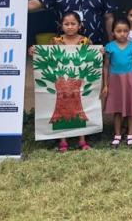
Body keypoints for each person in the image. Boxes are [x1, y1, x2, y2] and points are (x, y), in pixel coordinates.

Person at [27, 11, 94, 152]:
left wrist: (99, 52)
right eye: (66, 24)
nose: (70, 27)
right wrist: (35, 50)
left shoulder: (86, 41)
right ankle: (63, 140)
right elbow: (46, 55)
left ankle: (82, 139)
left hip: (77, 82)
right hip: (61, 82)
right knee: (60, 108)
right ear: (61, 25)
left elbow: (92, 58)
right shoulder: (55, 41)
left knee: (80, 107)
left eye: (73, 24)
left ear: (80, 25)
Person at [102, 19, 132, 149]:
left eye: (125, 31)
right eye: (119, 31)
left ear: (129, 32)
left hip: (130, 80)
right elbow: (106, 66)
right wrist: (105, 85)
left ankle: (131, 134)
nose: (122, 34)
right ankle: (117, 134)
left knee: (131, 109)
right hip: (115, 81)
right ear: (113, 32)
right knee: (117, 109)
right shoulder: (109, 47)